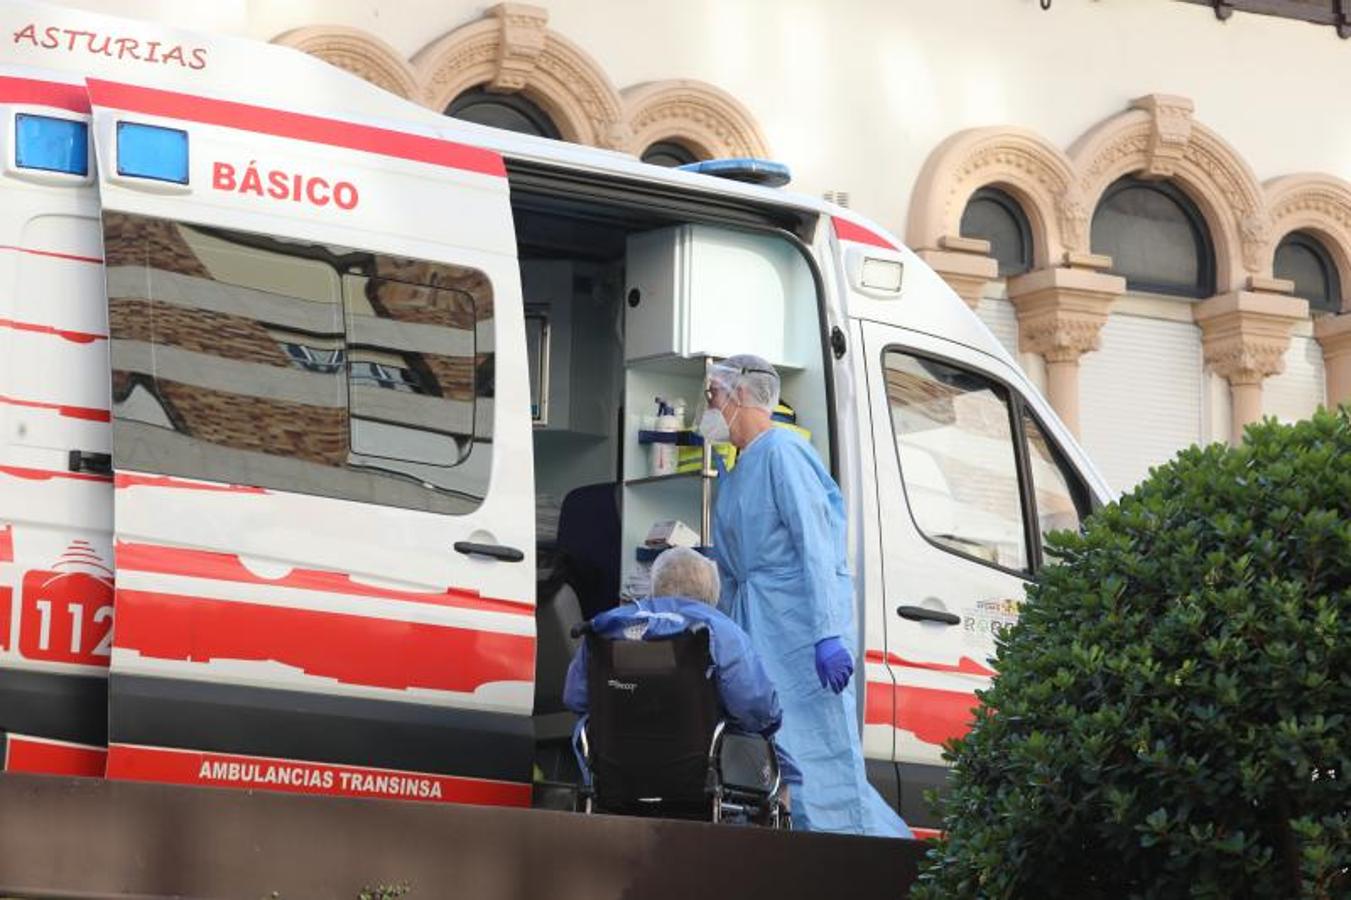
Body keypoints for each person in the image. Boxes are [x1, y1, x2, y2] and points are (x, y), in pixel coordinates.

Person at [700, 353, 911, 838]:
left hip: (799, 635)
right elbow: (732, 572)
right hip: (757, 631)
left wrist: (827, 634)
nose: (709, 406)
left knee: (820, 757)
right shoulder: (736, 472)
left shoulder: (783, 454)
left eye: (714, 394)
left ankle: (858, 862)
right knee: (772, 760)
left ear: (743, 395)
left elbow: (818, 550)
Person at [563, 546, 801, 802]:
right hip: (699, 776)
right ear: (712, 593)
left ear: (654, 585)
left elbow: (575, 698)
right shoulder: (719, 631)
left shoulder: (607, 626)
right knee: (781, 768)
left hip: (614, 772)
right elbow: (757, 710)